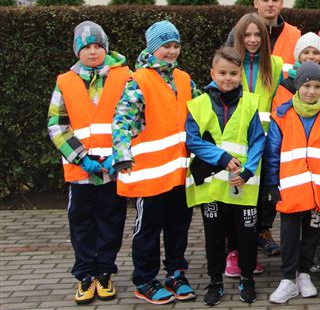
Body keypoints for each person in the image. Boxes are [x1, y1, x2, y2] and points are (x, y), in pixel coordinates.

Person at [112, 20, 201, 304]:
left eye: (175, 45)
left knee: (178, 226)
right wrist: (121, 154)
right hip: (149, 174)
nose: (172, 51)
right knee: (148, 229)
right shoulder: (138, 80)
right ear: (152, 49)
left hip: (179, 173)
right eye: (166, 46)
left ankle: (176, 273)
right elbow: (122, 120)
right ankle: (145, 279)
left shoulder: (184, 79)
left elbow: (203, 110)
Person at [48, 21, 129, 305]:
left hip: (112, 170)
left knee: (111, 221)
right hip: (81, 171)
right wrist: (81, 157)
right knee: (81, 223)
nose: (93, 52)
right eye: (86, 47)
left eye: (97, 46)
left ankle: (104, 272)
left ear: (105, 48)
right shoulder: (65, 81)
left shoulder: (124, 77)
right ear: (77, 51)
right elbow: (57, 125)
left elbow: (134, 118)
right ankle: (85, 275)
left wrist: (118, 154)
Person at [185, 47, 265, 305]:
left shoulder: (250, 103)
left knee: (247, 236)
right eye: (222, 73)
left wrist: (249, 169)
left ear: (240, 74)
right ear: (212, 73)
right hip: (212, 187)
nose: (228, 78)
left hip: (243, 184)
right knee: (214, 238)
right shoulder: (198, 105)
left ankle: (247, 279)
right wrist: (220, 157)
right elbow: (192, 141)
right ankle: (215, 282)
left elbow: (258, 140)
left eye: (233, 73)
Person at [264, 62, 320, 304]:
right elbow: (272, 153)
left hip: (319, 190)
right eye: (307, 86)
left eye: (317, 86)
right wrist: (271, 185)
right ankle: (288, 278)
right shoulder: (281, 115)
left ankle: (304, 274)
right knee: (288, 235)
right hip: (291, 189)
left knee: (312, 235)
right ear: (298, 86)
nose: (311, 91)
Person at [230, 13, 283, 262]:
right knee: (240, 188)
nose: (252, 40)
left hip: (268, 139)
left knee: (266, 190)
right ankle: (236, 240)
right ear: (239, 38)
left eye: (257, 35)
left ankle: (263, 231)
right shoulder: (231, 64)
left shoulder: (276, 64)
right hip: (239, 139)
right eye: (247, 35)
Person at [226, 0, 301, 74]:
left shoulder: (295, 35)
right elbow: (226, 65)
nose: (270, 4)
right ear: (256, 3)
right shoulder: (239, 31)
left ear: (281, 3)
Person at [272, 33, 320, 109]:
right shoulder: (286, 85)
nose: (311, 56)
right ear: (299, 56)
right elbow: (279, 112)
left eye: (315, 53)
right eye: (306, 52)